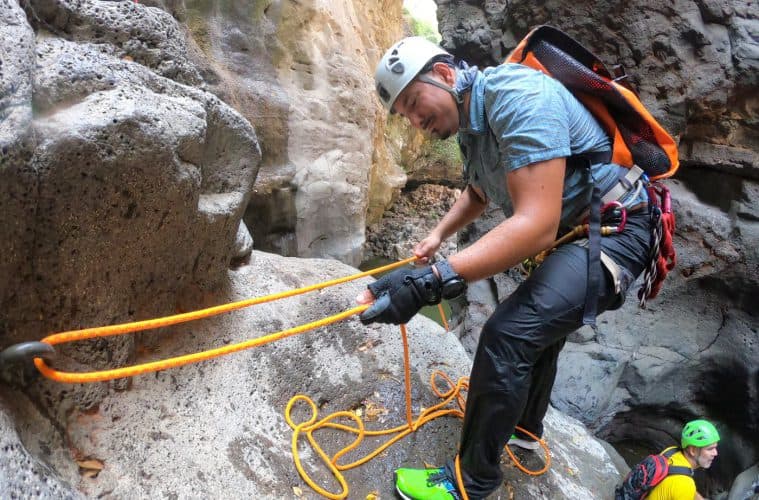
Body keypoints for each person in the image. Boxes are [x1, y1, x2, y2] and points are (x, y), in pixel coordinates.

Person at [358, 36, 656, 499]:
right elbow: (480, 191)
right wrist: (437, 236)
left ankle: (471, 482)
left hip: (617, 230)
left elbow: (536, 226)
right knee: (538, 328)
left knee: (508, 334)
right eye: (405, 115)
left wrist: (431, 282)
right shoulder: (471, 123)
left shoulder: (519, 97)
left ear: (444, 74)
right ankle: (525, 429)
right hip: (579, 231)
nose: (416, 121)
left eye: (414, 103)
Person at [647, 419, 720, 500]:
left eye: (715, 448)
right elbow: (683, 487)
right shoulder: (684, 484)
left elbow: (681, 488)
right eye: (710, 449)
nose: (715, 453)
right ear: (693, 450)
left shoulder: (671, 452)